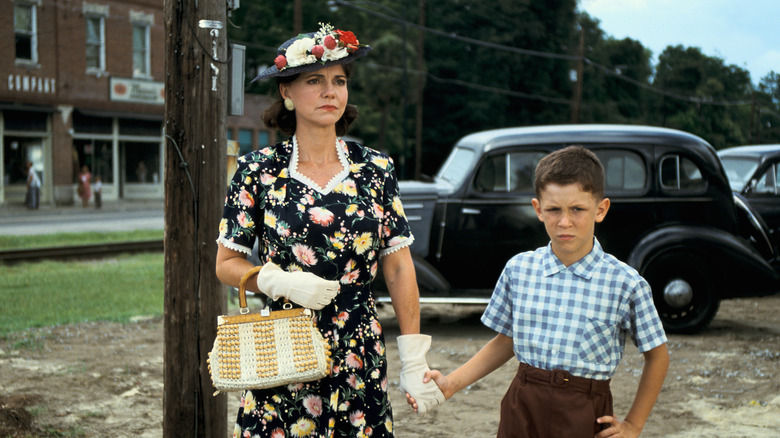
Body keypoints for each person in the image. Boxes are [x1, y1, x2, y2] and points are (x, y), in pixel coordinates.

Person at [215, 23, 443, 438]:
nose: (329, 92)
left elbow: (398, 268)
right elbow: (226, 263)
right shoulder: (257, 171)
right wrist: (274, 278)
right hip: (284, 345)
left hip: (359, 348)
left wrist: (413, 356)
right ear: (286, 92)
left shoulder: (375, 169)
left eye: (339, 81)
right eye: (314, 81)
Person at [408, 146, 670, 438]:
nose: (564, 222)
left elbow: (658, 356)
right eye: (554, 209)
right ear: (538, 209)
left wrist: (634, 424)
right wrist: (451, 384)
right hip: (522, 407)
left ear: (601, 209)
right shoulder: (519, 270)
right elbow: (505, 341)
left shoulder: (626, 283)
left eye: (577, 210)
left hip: (585, 413)